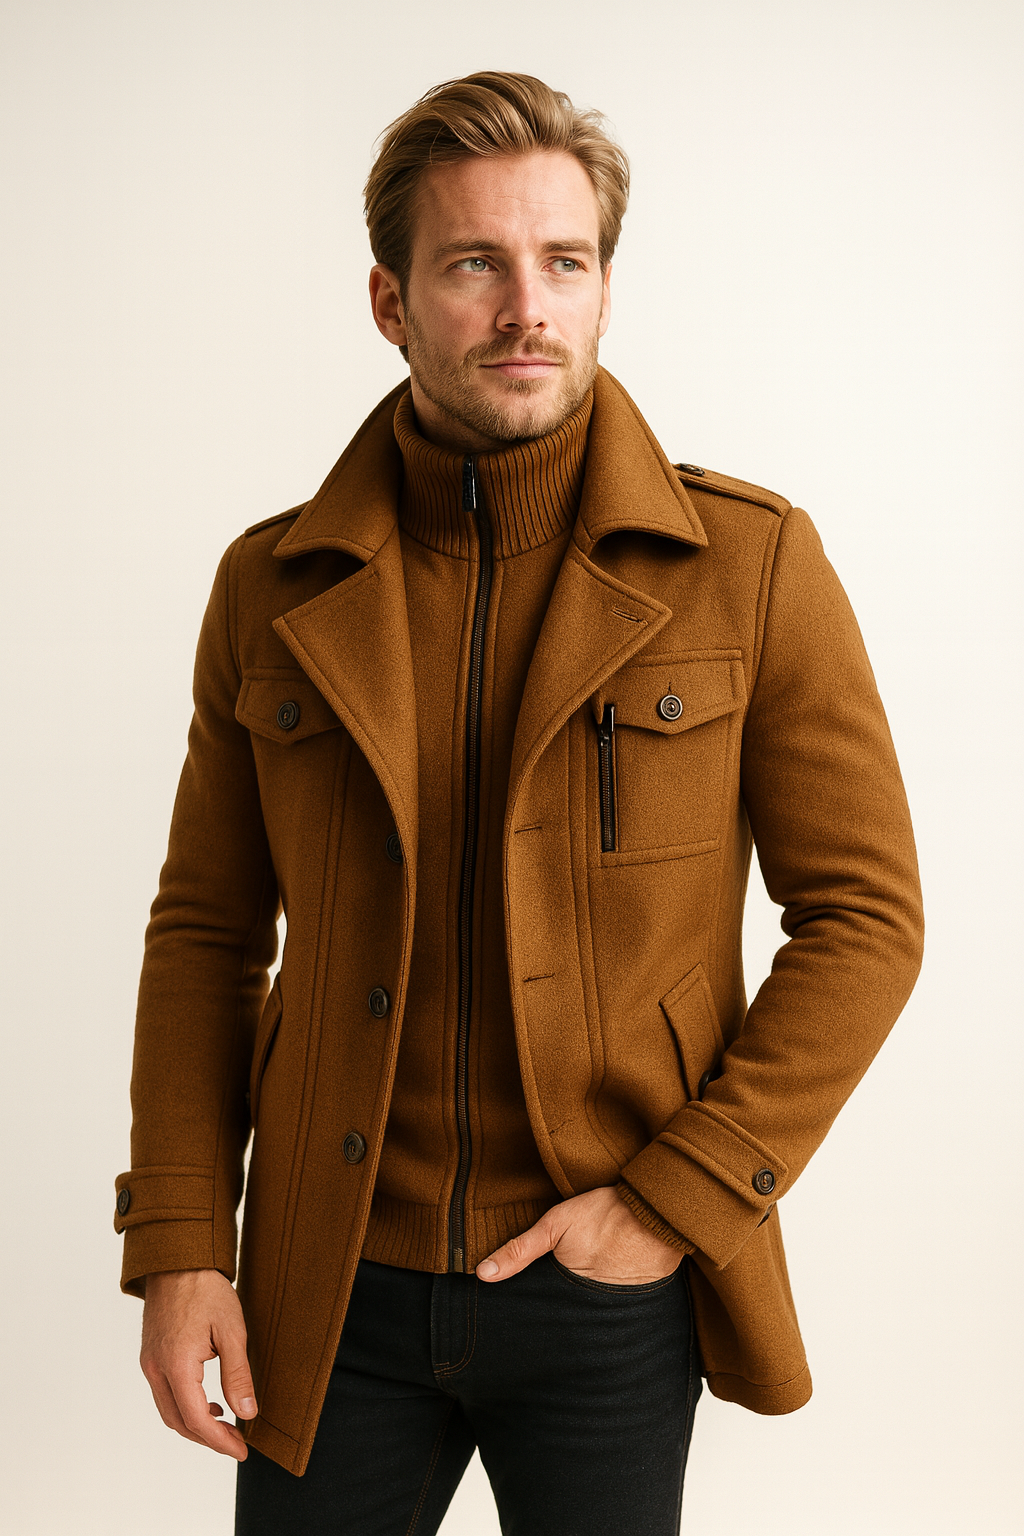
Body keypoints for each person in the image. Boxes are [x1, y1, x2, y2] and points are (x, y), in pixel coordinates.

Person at [114, 71, 924, 1535]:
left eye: (565, 261)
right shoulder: (269, 585)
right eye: (474, 263)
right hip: (327, 1284)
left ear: (607, 287)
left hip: (610, 1285)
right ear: (391, 300)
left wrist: (676, 1200)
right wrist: (180, 1240)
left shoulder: (750, 567)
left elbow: (866, 919)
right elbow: (206, 932)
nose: (525, 309)